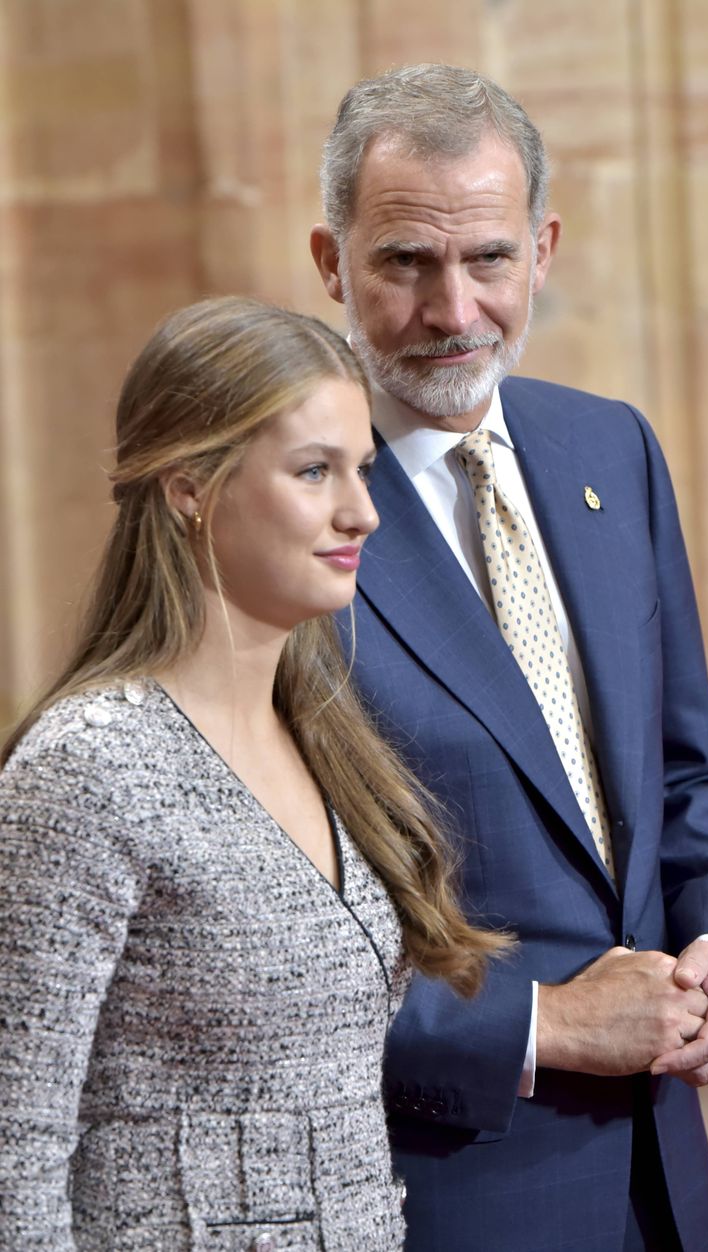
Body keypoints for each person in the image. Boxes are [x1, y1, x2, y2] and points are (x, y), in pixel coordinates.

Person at [309, 64, 708, 1252]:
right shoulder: (290, 516)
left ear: (542, 247)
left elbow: (683, 776)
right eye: (405, 261)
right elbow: (268, 940)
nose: (454, 310)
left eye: (490, 259)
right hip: (455, 1186)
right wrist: (541, 1022)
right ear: (330, 263)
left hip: (668, 1165)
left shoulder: (609, 444)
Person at [0, 295, 508, 1251]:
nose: (362, 510)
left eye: (360, 468)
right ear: (190, 485)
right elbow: (13, 1153)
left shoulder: (325, 734)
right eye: (314, 471)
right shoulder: (87, 767)